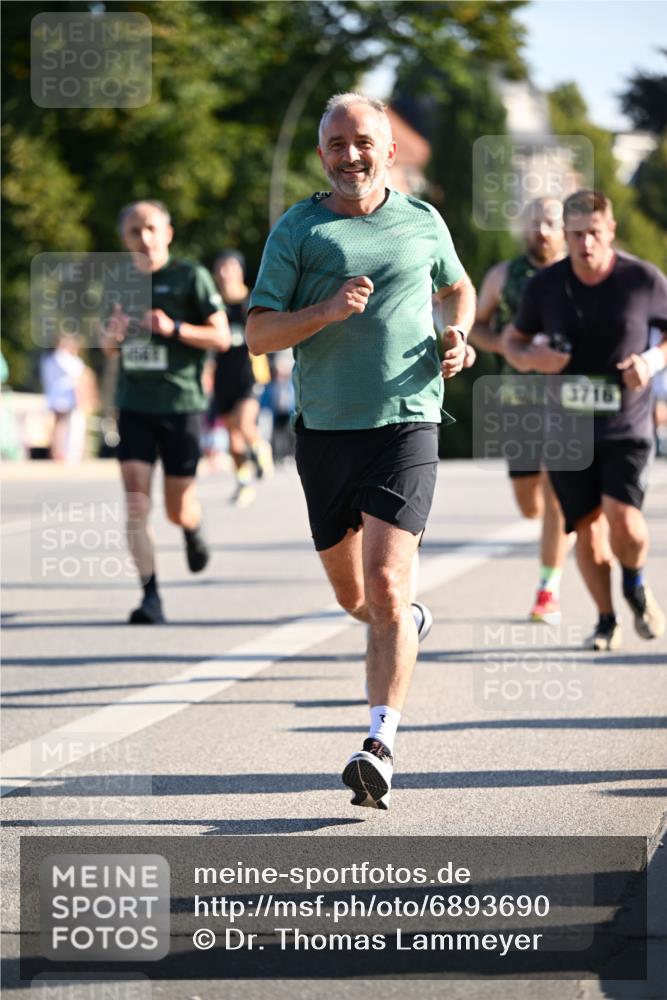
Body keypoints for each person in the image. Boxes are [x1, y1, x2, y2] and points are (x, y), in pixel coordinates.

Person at [246, 93, 475, 810]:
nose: (351, 155)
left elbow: (457, 286)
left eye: (363, 142)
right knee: (356, 599)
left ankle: (378, 745)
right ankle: (403, 620)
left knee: (382, 586)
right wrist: (323, 310)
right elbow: (257, 335)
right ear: (322, 155)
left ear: (389, 150)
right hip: (325, 432)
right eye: (337, 144)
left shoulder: (422, 221)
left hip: (407, 421)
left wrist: (458, 335)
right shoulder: (298, 229)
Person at [503, 189, 667, 650]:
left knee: (625, 522)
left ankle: (634, 582)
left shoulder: (642, 279)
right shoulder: (545, 286)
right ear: (565, 237)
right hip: (566, 430)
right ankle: (606, 618)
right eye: (576, 235)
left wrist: (651, 364)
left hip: (625, 424)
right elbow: (513, 342)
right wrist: (532, 357)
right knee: (590, 536)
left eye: (594, 233)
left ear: (610, 230)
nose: (585, 244)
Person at [101, 200, 230, 624]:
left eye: (152, 228)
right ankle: (150, 597)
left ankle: (191, 528)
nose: (145, 238)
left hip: (182, 406)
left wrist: (173, 327)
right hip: (135, 404)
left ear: (168, 233)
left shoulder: (191, 276)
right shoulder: (118, 282)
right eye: (135, 231)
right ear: (125, 239)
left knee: (177, 507)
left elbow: (222, 337)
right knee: (136, 502)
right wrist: (115, 335)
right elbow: (107, 346)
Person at [470, 197, 569, 624]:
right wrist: (509, 345)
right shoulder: (503, 276)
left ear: (564, 228)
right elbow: (475, 325)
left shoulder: (579, 275)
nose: (542, 231)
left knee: (555, 495)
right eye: (534, 223)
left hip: (568, 400)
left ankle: (548, 589)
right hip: (518, 400)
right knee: (530, 503)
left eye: (550, 222)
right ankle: (560, 528)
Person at [209, 250, 273, 506]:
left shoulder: (251, 300)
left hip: (250, 372)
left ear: (240, 271)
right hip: (224, 376)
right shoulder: (213, 306)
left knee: (245, 422)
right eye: (221, 269)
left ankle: (260, 450)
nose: (226, 274)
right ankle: (243, 482)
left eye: (230, 268)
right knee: (233, 439)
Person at [40, 333, 97, 462]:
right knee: (60, 425)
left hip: (59, 395)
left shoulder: (48, 358)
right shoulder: (60, 356)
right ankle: (58, 452)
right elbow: (80, 371)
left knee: (60, 425)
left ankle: (58, 452)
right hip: (62, 397)